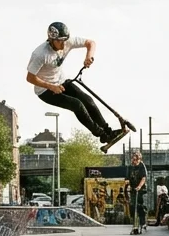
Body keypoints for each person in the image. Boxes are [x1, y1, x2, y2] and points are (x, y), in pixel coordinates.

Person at [25, 21, 128, 152]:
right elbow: (30, 78)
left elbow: (91, 43)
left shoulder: (67, 42)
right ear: (51, 39)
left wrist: (89, 56)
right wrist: (51, 86)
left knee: (88, 100)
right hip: (45, 90)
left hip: (61, 81)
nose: (63, 45)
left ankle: (109, 133)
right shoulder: (40, 54)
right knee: (77, 105)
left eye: (65, 41)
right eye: (60, 41)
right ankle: (101, 135)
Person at [126, 150, 149, 233]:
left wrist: (139, 186)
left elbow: (143, 178)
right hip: (133, 189)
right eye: (133, 160)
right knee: (132, 206)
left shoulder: (142, 166)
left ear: (139, 159)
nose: (134, 162)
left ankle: (142, 222)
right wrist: (128, 185)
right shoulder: (130, 167)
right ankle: (135, 223)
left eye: (136, 160)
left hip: (141, 190)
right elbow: (128, 178)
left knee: (140, 206)